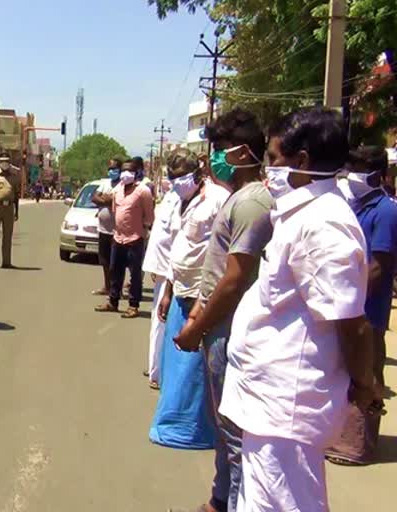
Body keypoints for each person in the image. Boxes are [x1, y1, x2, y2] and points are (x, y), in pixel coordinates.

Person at [220, 109, 379, 511]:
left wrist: (363, 386)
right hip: (268, 402)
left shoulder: (324, 225)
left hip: (288, 406)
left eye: (273, 158)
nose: (268, 168)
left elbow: (351, 323)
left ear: (302, 162)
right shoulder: (301, 214)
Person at [173, 109, 272, 512]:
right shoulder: (238, 199)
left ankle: (233, 503)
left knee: (234, 432)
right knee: (222, 423)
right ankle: (220, 497)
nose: (213, 160)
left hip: (232, 329)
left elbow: (234, 280)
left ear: (244, 153)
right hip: (216, 324)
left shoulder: (252, 204)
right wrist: (198, 315)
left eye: (219, 151)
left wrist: (199, 326)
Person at [149, 148, 229, 449]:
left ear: (198, 174)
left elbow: (221, 255)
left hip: (201, 295)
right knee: (173, 363)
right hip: (179, 290)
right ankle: (170, 422)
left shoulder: (217, 200)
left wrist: (203, 302)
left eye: (181, 177)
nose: (176, 183)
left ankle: (196, 431)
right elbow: (177, 250)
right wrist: (167, 291)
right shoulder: (180, 201)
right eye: (172, 178)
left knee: (195, 370)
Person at [326, 146, 397, 465]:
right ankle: (343, 438)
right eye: (351, 165)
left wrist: (350, 298)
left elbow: (379, 265)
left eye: (360, 167)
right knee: (348, 371)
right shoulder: (354, 206)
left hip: (369, 310)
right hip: (349, 305)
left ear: (378, 173)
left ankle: (361, 444)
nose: (353, 173)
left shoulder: (386, 211)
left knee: (370, 371)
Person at [95, 162, 154, 318]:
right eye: (124, 170)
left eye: (130, 171)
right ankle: (113, 301)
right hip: (118, 237)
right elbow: (113, 207)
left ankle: (133, 305)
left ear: (136, 173)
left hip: (135, 239)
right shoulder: (118, 190)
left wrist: (142, 230)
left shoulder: (143, 191)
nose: (125, 173)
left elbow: (149, 216)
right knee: (115, 270)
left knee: (134, 274)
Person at [141, 180, 180, 389]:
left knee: (167, 322)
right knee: (159, 323)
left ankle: (161, 371)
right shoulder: (170, 197)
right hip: (163, 269)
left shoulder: (192, 199)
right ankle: (155, 368)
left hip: (176, 273)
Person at [91, 159, 122, 295]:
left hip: (118, 231)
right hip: (103, 229)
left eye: (114, 168)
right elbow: (94, 198)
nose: (111, 171)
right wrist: (107, 200)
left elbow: (118, 200)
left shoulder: (123, 185)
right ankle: (107, 286)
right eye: (110, 168)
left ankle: (117, 289)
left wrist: (106, 200)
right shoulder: (104, 184)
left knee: (116, 263)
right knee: (104, 260)